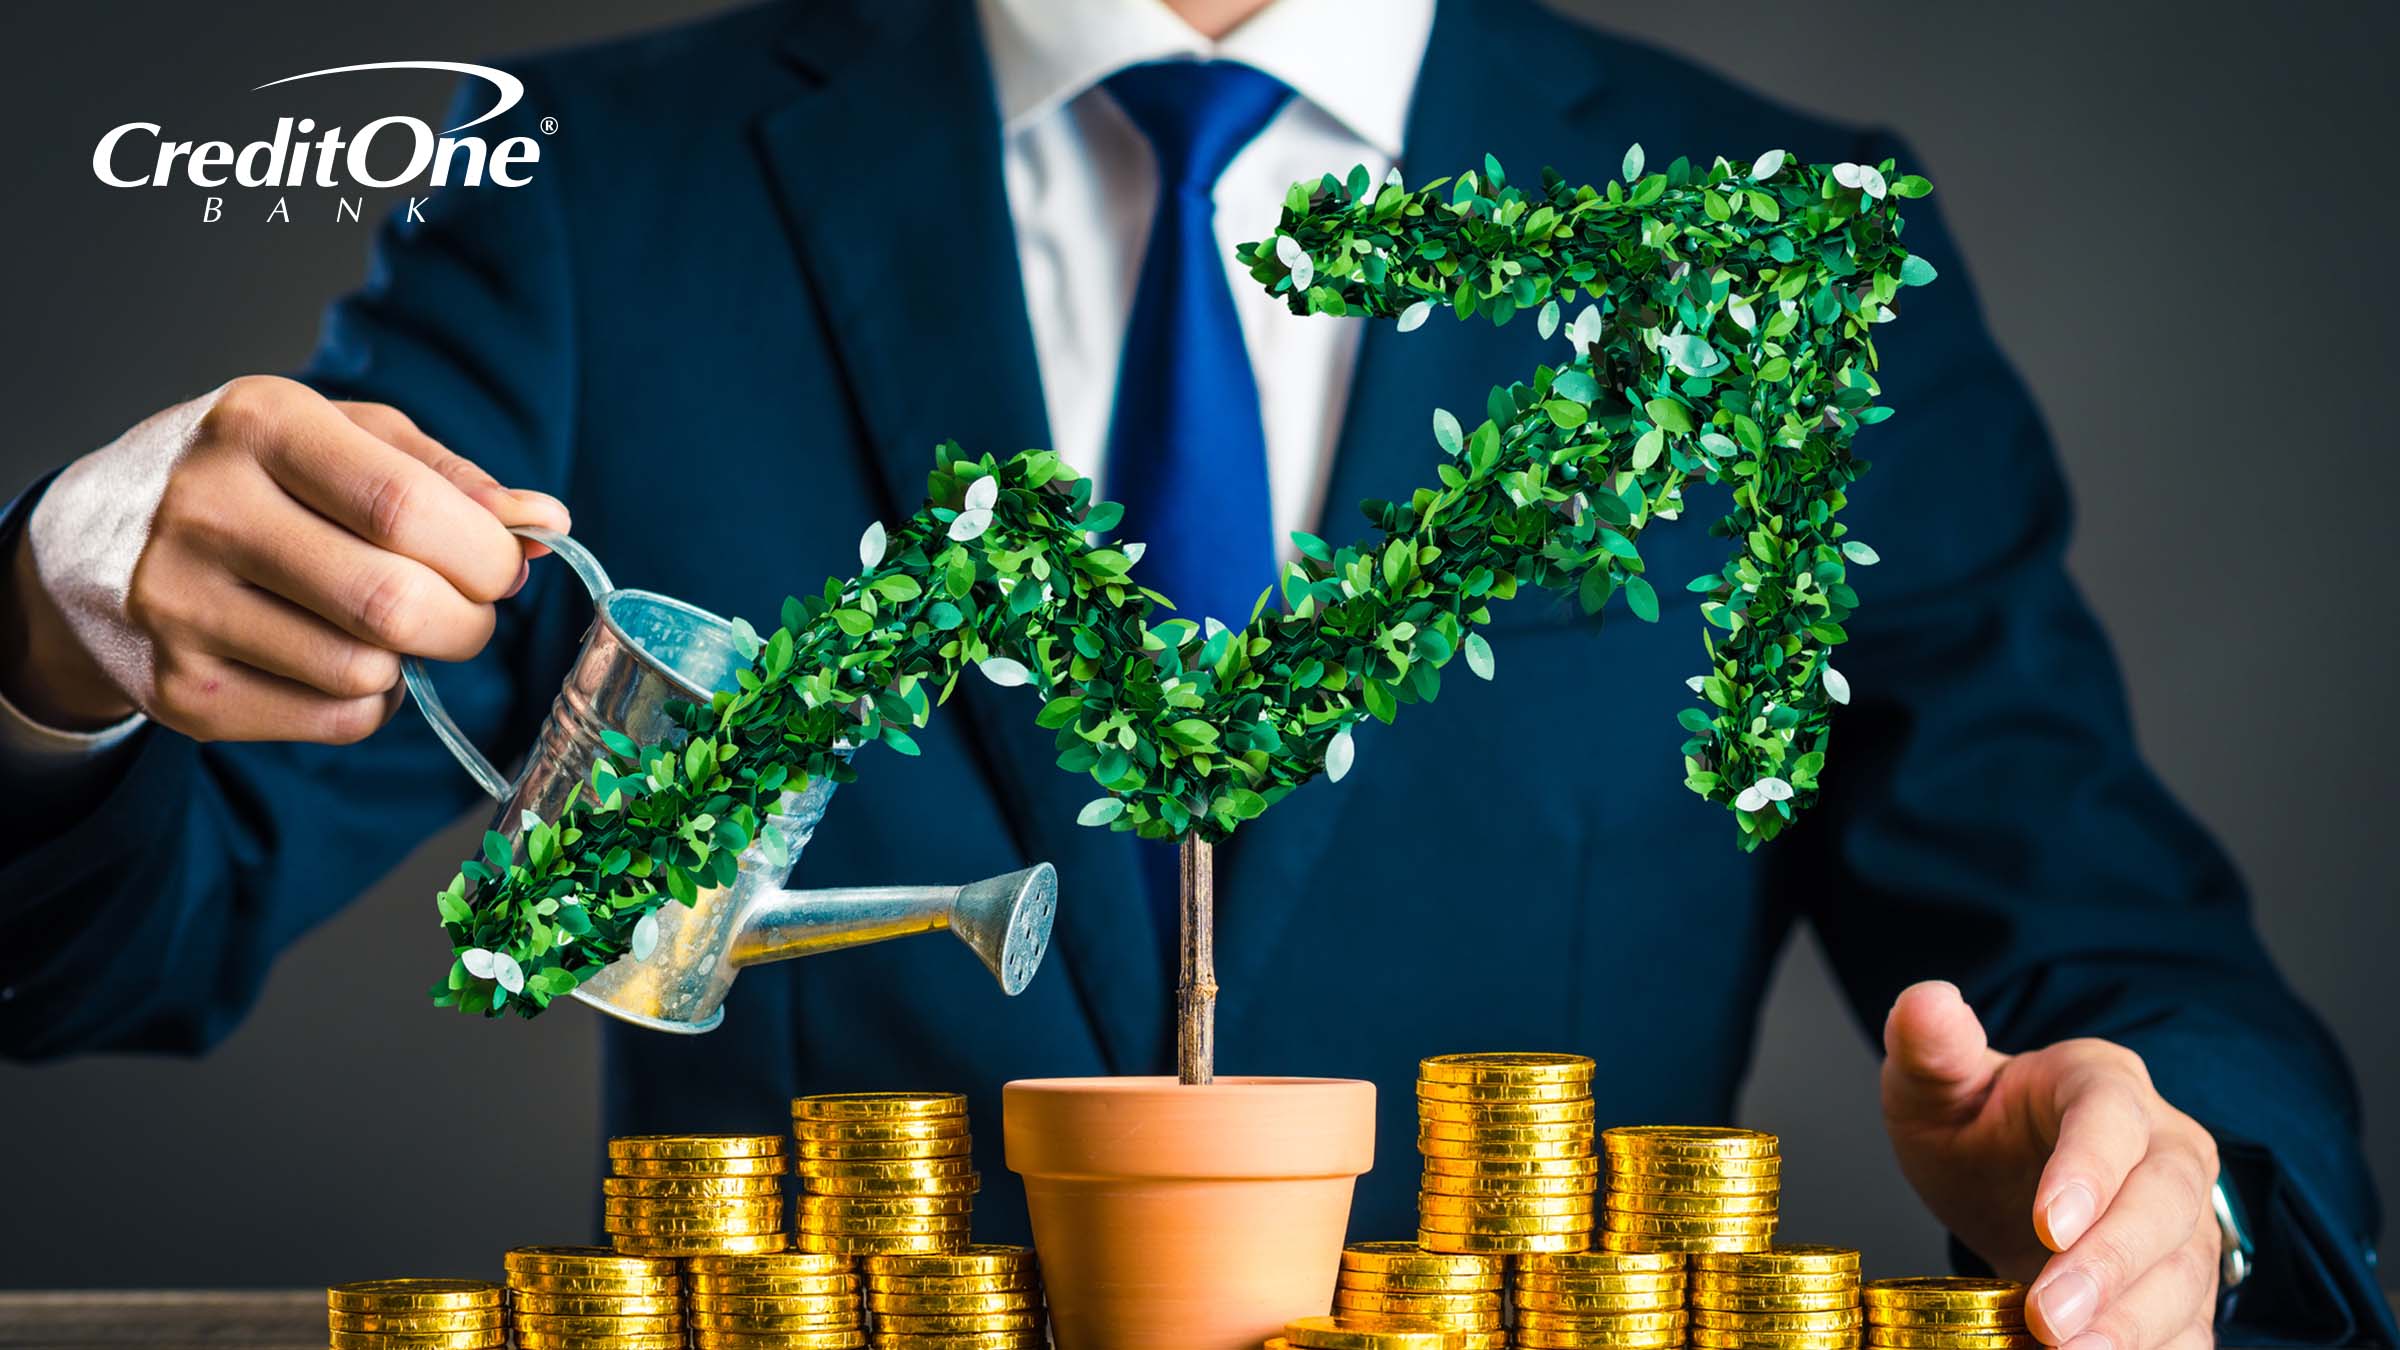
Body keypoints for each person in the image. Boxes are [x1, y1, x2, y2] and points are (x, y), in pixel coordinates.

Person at [0, 0, 2384, 1344]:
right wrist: (47, 627)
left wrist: (2175, 1184)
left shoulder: (1765, 252)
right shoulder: (604, 204)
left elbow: (2109, 943)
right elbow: (117, 923)